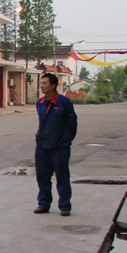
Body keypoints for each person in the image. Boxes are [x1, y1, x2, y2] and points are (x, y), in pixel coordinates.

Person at [34, 73, 77, 216]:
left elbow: (72, 124)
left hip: (59, 147)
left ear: (53, 85)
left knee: (62, 177)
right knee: (42, 177)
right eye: (41, 83)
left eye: (45, 83)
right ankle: (43, 204)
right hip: (42, 146)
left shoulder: (64, 102)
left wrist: (65, 139)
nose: (42, 86)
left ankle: (65, 205)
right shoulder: (40, 103)